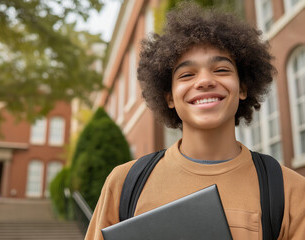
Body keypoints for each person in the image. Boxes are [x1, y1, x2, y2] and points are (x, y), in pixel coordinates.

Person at [85, 2, 305, 239]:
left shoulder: (288, 189)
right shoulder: (125, 183)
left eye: (221, 70)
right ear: (169, 97)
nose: (204, 81)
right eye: (187, 74)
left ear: (242, 88)